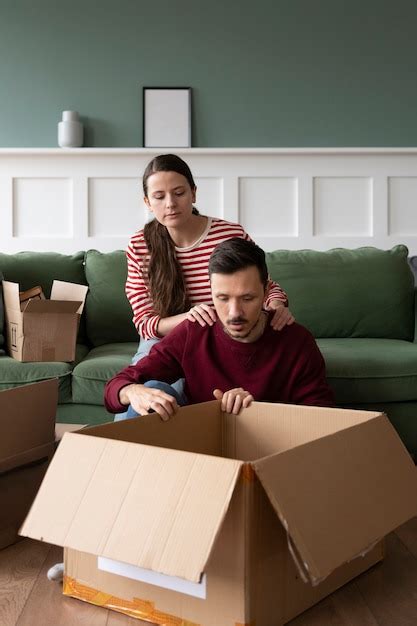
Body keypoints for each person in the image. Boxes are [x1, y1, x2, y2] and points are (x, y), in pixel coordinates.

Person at [105, 238, 334, 420]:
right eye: (222, 298)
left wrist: (257, 412)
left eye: (247, 298)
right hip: (197, 446)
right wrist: (133, 391)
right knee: (151, 390)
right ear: (211, 292)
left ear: (266, 293)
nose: (234, 313)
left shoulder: (296, 340)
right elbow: (117, 386)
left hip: (267, 447)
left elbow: (322, 417)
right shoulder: (194, 331)